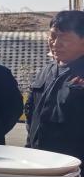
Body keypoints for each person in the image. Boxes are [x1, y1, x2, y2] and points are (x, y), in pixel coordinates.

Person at [25, 10, 84, 162]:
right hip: (39, 161)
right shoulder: (46, 72)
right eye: (52, 36)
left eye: (65, 38)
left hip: (73, 167)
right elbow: (31, 116)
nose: (56, 43)